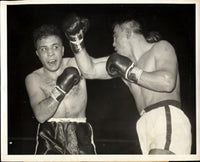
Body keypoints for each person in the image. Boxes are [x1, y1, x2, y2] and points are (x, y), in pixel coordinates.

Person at [62, 14, 192, 154]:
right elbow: (90, 70)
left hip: (165, 115)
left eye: (115, 36)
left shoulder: (160, 47)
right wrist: (76, 40)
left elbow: (167, 82)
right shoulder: (126, 63)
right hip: (144, 122)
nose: (113, 43)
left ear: (128, 32)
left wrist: (130, 71)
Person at [25, 24, 96, 154]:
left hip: (80, 134)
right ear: (38, 54)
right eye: (43, 49)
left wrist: (78, 40)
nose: (50, 53)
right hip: (49, 137)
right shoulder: (33, 78)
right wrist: (61, 89)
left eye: (55, 47)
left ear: (63, 50)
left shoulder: (77, 64)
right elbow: (41, 116)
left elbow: (100, 68)